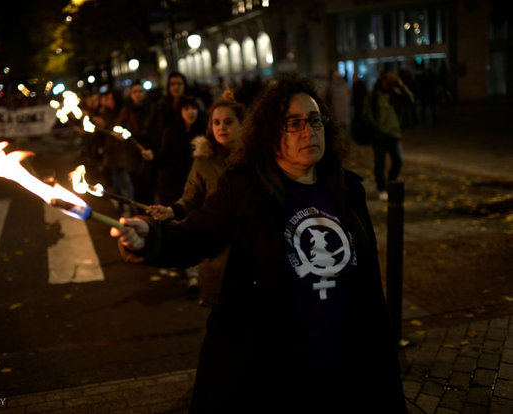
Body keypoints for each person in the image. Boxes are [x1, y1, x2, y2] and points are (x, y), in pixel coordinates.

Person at [110, 75, 407, 413]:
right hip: (274, 375)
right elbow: (192, 237)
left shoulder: (347, 189)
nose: (308, 131)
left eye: (314, 120)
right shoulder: (245, 189)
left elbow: (366, 285)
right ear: (270, 133)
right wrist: (150, 237)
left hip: (345, 371)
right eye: (293, 124)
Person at [147, 90, 245, 305]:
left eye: (228, 121)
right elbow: (191, 198)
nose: (222, 127)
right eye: (216, 122)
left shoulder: (256, 158)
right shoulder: (203, 161)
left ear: (241, 124)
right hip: (217, 248)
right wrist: (172, 211)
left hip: (252, 246)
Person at [363, 69, 414, 201]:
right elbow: (366, 112)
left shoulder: (395, 94)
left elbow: (410, 100)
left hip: (394, 134)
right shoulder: (374, 95)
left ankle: (390, 183)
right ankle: (381, 187)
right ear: (381, 81)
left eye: (390, 82)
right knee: (379, 164)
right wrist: (375, 127)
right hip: (379, 136)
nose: (388, 85)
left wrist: (401, 85)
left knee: (398, 161)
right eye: (387, 81)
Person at [154, 95, 207, 206]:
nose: (191, 112)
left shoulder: (204, 131)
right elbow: (164, 158)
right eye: (186, 109)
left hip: (199, 183)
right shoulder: (171, 132)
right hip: (177, 183)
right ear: (180, 111)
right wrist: (152, 157)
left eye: (194, 108)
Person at [116, 81, 155, 207]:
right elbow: (118, 129)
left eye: (140, 91)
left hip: (149, 154)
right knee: (137, 192)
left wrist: (131, 134)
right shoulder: (126, 111)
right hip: (132, 158)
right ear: (130, 94)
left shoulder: (152, 109)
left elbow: (153, 132)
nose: (138, 94)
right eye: (134, 92)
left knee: (150, 191)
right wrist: (120, 135)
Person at [325, 70, 352, 135]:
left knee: (337, 131)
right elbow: (351, 96)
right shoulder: (346, 85)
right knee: (345, 130)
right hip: (345, 111)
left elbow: (328, 99)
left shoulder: (331, 86)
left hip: (335, 112)